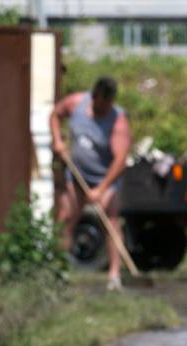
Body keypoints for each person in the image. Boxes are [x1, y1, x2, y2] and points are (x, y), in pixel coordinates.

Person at [49, 76, 131, 290]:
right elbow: (56, 115)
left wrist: (101, 189)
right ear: (95, 97)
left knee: (110, 221)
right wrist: (57, 140)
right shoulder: (76, 103)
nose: (106, 107)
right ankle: (58, 271)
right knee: (66, 218)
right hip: (76, 175)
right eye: (104, 103)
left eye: (110, 103)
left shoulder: (118, 121)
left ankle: (114, 275)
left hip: (105, 178)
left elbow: (121, 161)